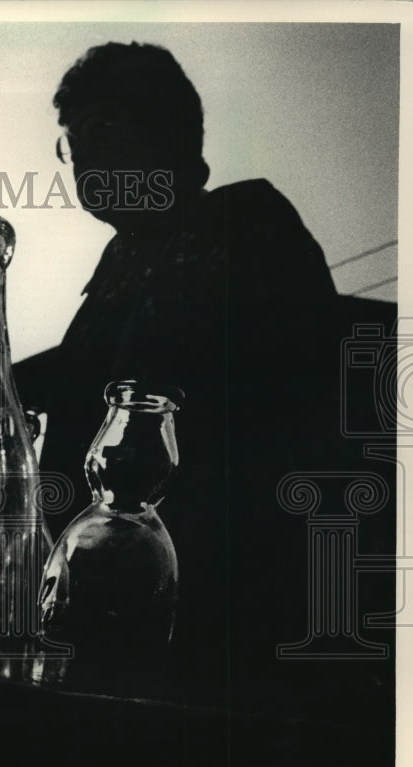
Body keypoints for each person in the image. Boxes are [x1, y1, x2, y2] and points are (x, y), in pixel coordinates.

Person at [27, 42, 352, 708]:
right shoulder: (127, 258)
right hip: (97, 614)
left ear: (168, 133)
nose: (84, 159)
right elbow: (76, 374)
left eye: (104, 134)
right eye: (72, 144)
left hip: (208, 634)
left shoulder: (243, 228)